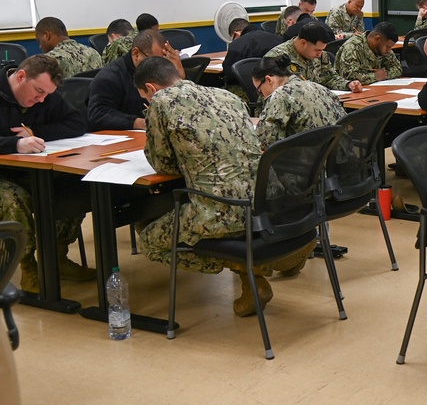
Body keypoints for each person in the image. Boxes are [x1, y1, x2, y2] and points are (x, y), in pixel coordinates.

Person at [133, 57, 280, 317]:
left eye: (145, 97)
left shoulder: (161, 102)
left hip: (218, 211)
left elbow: (163, 163)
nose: (147, 103)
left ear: (151, 88)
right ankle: (250, 277)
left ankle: (242, 266)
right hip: (262, 202)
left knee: (149, 242)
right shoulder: (226, 96)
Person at [0, 55, 90, 292]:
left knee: (72, 186)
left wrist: (35, 131)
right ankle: (27, 266)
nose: (41, 100)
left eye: (46, 95)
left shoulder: (45, 96)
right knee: (14, 200)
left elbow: (77, 123)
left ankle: (57, 257)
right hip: (3, 174)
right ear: (21, 77)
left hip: (31, 169)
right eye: (38, 91)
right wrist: (15, 144)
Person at [89, 29, 185, 131]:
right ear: (136, 53)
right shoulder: (109, 77)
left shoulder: (160, 70)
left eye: (163, 60)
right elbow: (98, 115)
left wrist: (179, 76)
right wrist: (142, 123)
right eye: (153, 60)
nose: (158, 66)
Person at [252, 55, 347, 150]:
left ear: (269, 80)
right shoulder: (319, 87)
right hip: (340, 156)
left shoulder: (281, 94)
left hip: (308, 160)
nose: (262, 96)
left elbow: (265, 141)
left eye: (259, 90)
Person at [265, 23, 362, 92]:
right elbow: (271, 93)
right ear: (303, 43)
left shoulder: (321, 56)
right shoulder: (276, 57)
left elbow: (330, 78)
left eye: (322, 50)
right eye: (317, 50)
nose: (320, 54)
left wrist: (348, 84)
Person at [333, 22, 403, 85]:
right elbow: (350, 78)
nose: (389, 50)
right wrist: (376, 76)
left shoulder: (383, 49)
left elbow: (398, 68)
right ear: (377, 39)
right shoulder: (352, 47)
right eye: (387, 47)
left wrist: (385, 74)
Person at [34, 16, 101, 77]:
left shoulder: (50, 61)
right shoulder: (93, 53)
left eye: (39, 41)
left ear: (46, 35)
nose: (40, 46)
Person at [221, 17, 283, 84]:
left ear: (237, 33)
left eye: (233, 37)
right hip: (281, 82)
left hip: (253, 87)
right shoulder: (278, 38)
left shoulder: (238, 44)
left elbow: (228, 72)